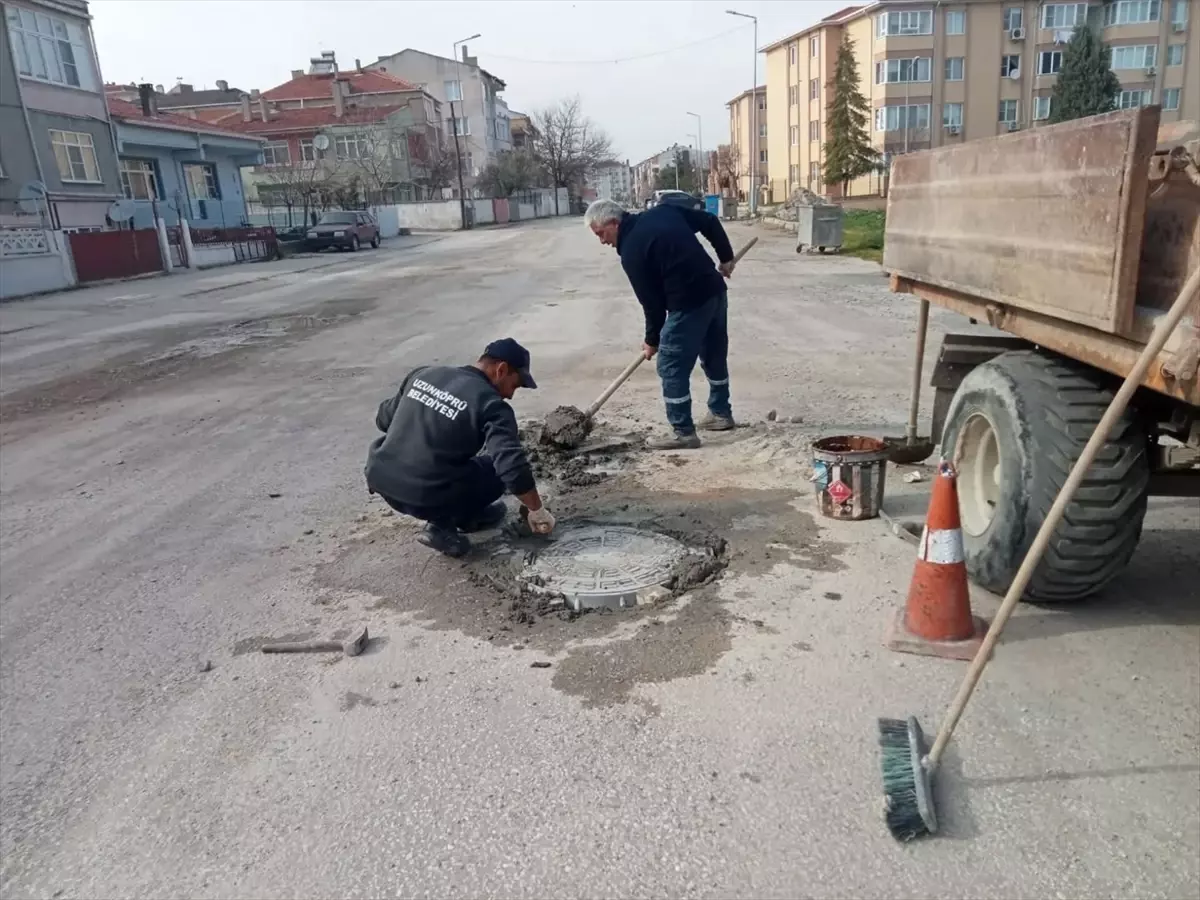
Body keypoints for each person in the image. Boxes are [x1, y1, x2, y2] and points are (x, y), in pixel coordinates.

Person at [365, 339, 555, 558]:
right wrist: (536, 510)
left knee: (463, 459)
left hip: (381, 477)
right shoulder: (492, 405)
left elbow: (384, 419)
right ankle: (441, 527)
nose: (510, 395)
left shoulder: (423, 374)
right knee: (495, 468)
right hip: (422, 494)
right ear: (501, 369)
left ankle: (468, 516)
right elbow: (511, 465)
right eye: (515, 385)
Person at [584, 197, 736, 450]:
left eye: (602, 233)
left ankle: (683, 432)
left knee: (671, 365)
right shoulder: (664, 211)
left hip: (688, 303)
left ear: (614, 222)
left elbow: (652, 305)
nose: (603, 241)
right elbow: (709, 221)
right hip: (714, 292)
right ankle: (721, 413)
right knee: (714, 354)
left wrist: (652, 340)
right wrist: (726, 257)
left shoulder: (632, 251)